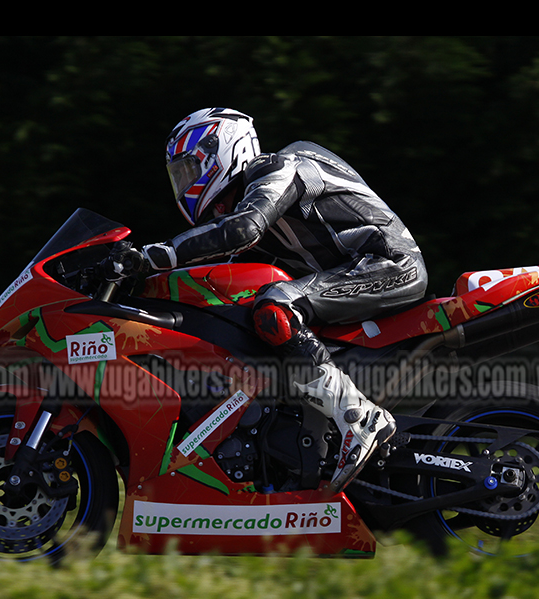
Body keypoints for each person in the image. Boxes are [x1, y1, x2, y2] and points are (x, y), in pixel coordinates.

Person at [124, 107, 428, 491]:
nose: (185, 184)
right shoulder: (248, 205)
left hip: (389, 265)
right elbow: (220, 268)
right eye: (179, 176)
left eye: (189, 170)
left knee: (275, 307)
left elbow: (241, 229)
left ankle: (360, 418)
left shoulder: (280, 167)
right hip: (351, 275)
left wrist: (151, 255)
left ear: (219, 151)